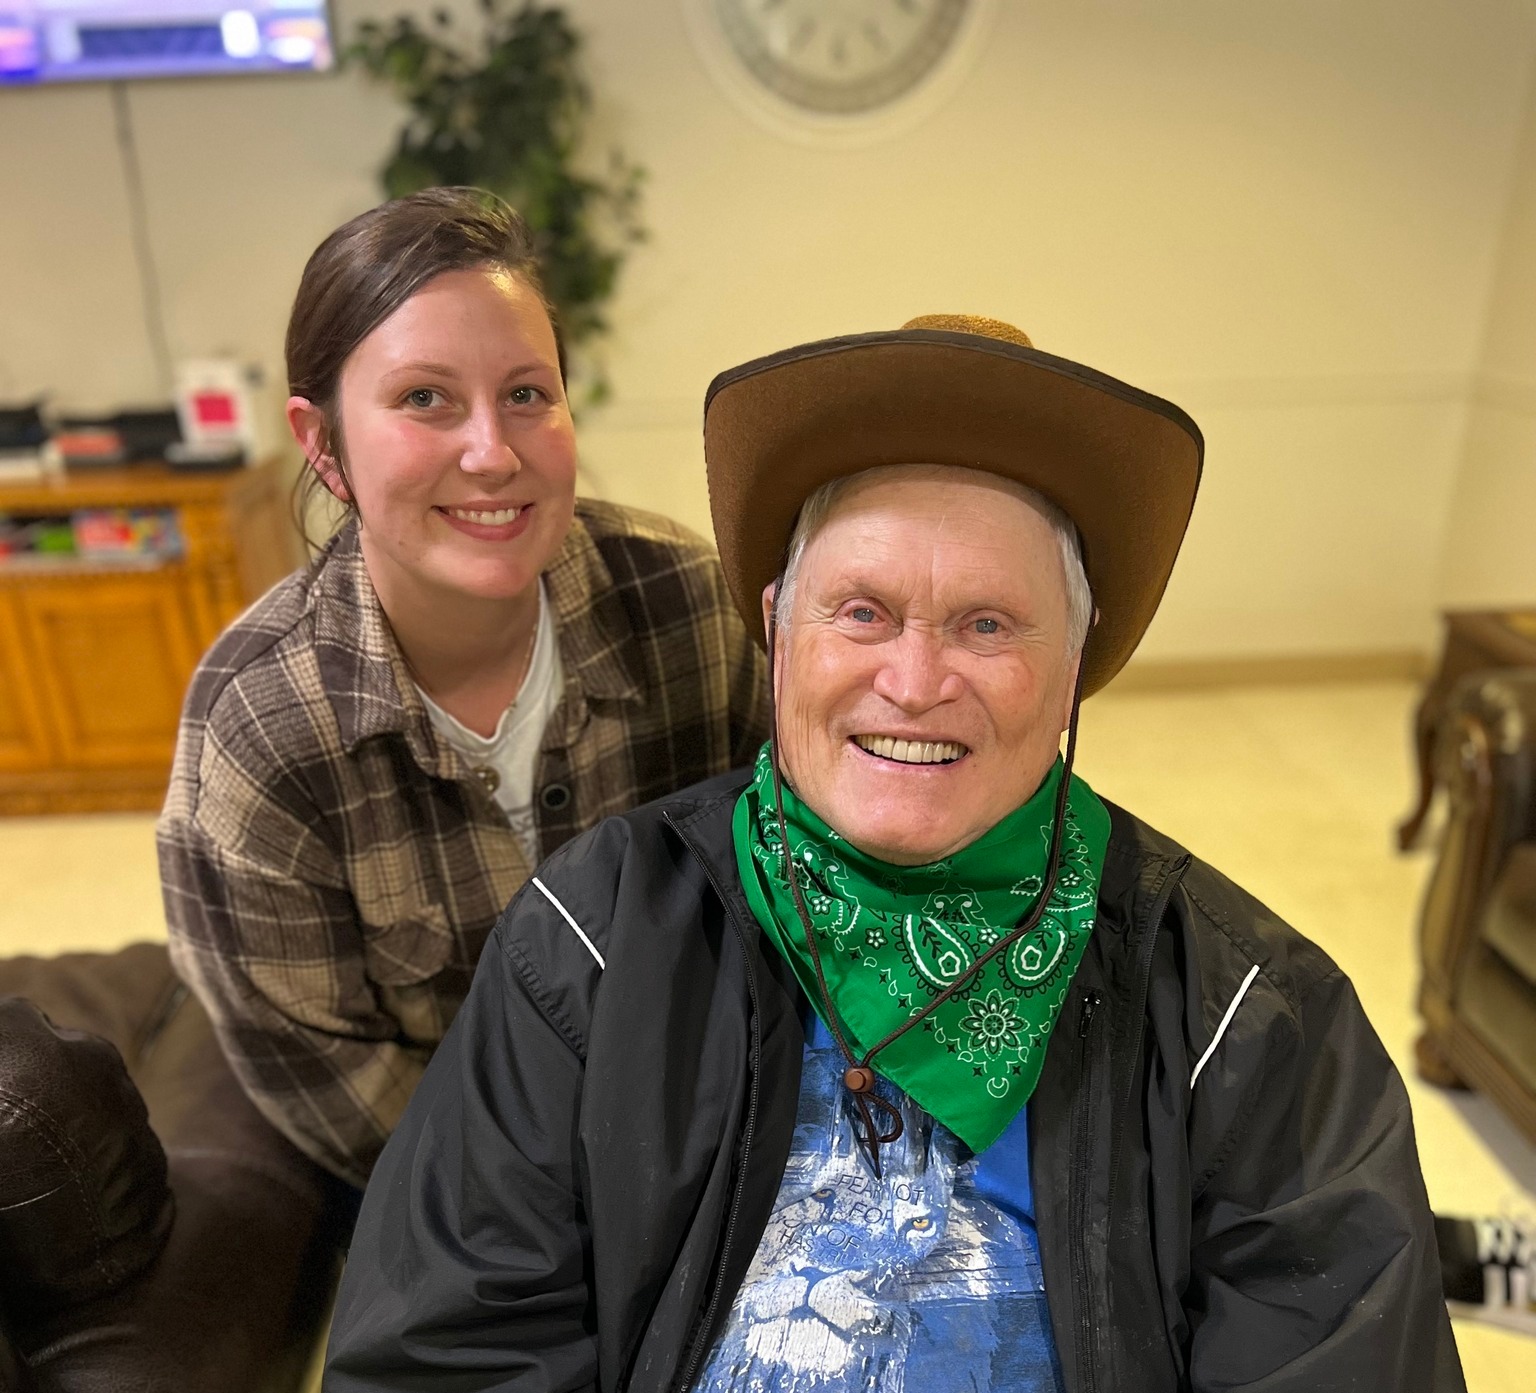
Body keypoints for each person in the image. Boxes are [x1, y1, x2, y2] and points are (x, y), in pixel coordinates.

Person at [323, 314, 1463, 1390]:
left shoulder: (1252, 1018)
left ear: (1074, 667)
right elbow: (450, 1350)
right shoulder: (595, 937)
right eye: (862, 612)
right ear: (778, 629)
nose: (915, 683)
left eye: (987, 624)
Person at [156, 188, 770, 1190]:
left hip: (705, 1130)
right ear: (323, 444)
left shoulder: (687, 604)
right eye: (424, 399)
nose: (493, 452)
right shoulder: (258, 732)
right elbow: (334, 1084)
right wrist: (572, 1197)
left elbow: (786, 892)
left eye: (527, 393)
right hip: (464, 1193)